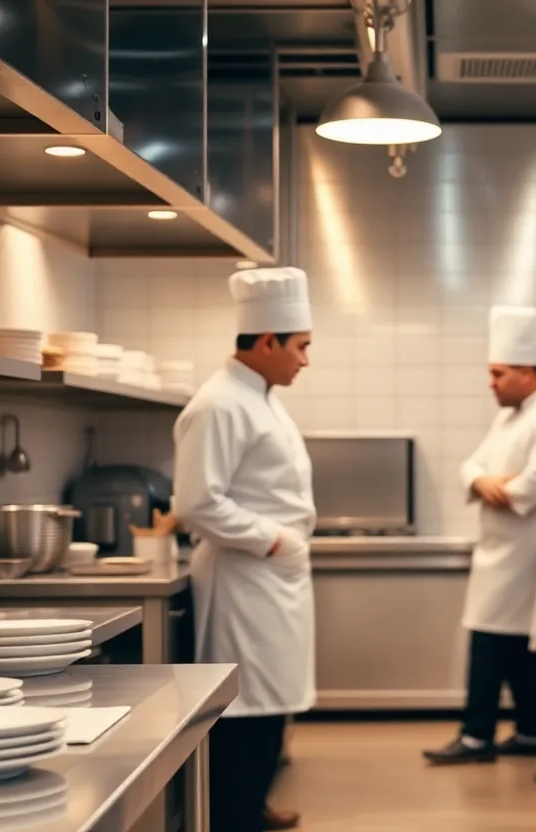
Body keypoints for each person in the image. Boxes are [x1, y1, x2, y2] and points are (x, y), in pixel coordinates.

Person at [173, 267, 315, 832]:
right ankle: (234, 817)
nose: (305, 360)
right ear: (268, 342)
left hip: (269, 576)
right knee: (246, 704)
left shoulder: (258, 398)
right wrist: (273, 539)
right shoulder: (219, 404)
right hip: (244, 578)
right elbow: (196, 503)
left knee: (270, 699)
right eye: (301, 346)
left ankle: (251, 805)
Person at [424, 306, 536, 765]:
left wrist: (497, 485)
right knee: (512, 642)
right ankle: (531, 731)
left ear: (527, 371)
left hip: (531, 548)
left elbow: (530, 489)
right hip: (499, 549)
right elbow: (470, 465)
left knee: (496, 643)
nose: (490, 383)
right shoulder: (511, 417)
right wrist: (484, 480)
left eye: (498, 374)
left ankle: (476, 737)